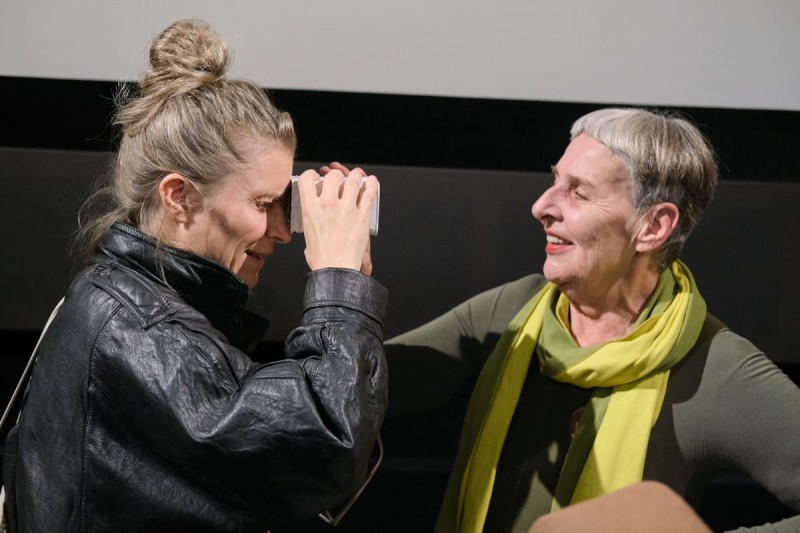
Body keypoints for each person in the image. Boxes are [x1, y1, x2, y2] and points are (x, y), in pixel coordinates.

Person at [1, 19, 387, 532]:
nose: (284, 231)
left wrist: (348, 284)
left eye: (286, 202)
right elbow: (321, 447)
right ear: (179, 197)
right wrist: (339, 289)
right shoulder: (137, 330)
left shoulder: (121, 304)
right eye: (264, 203)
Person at [384, 108, 800, 532]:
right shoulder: (510, 314)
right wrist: (339, 275)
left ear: (653, 226)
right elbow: (354, 393)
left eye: (578, 193)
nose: (541, 207)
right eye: (554, 181)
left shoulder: (714, 366)